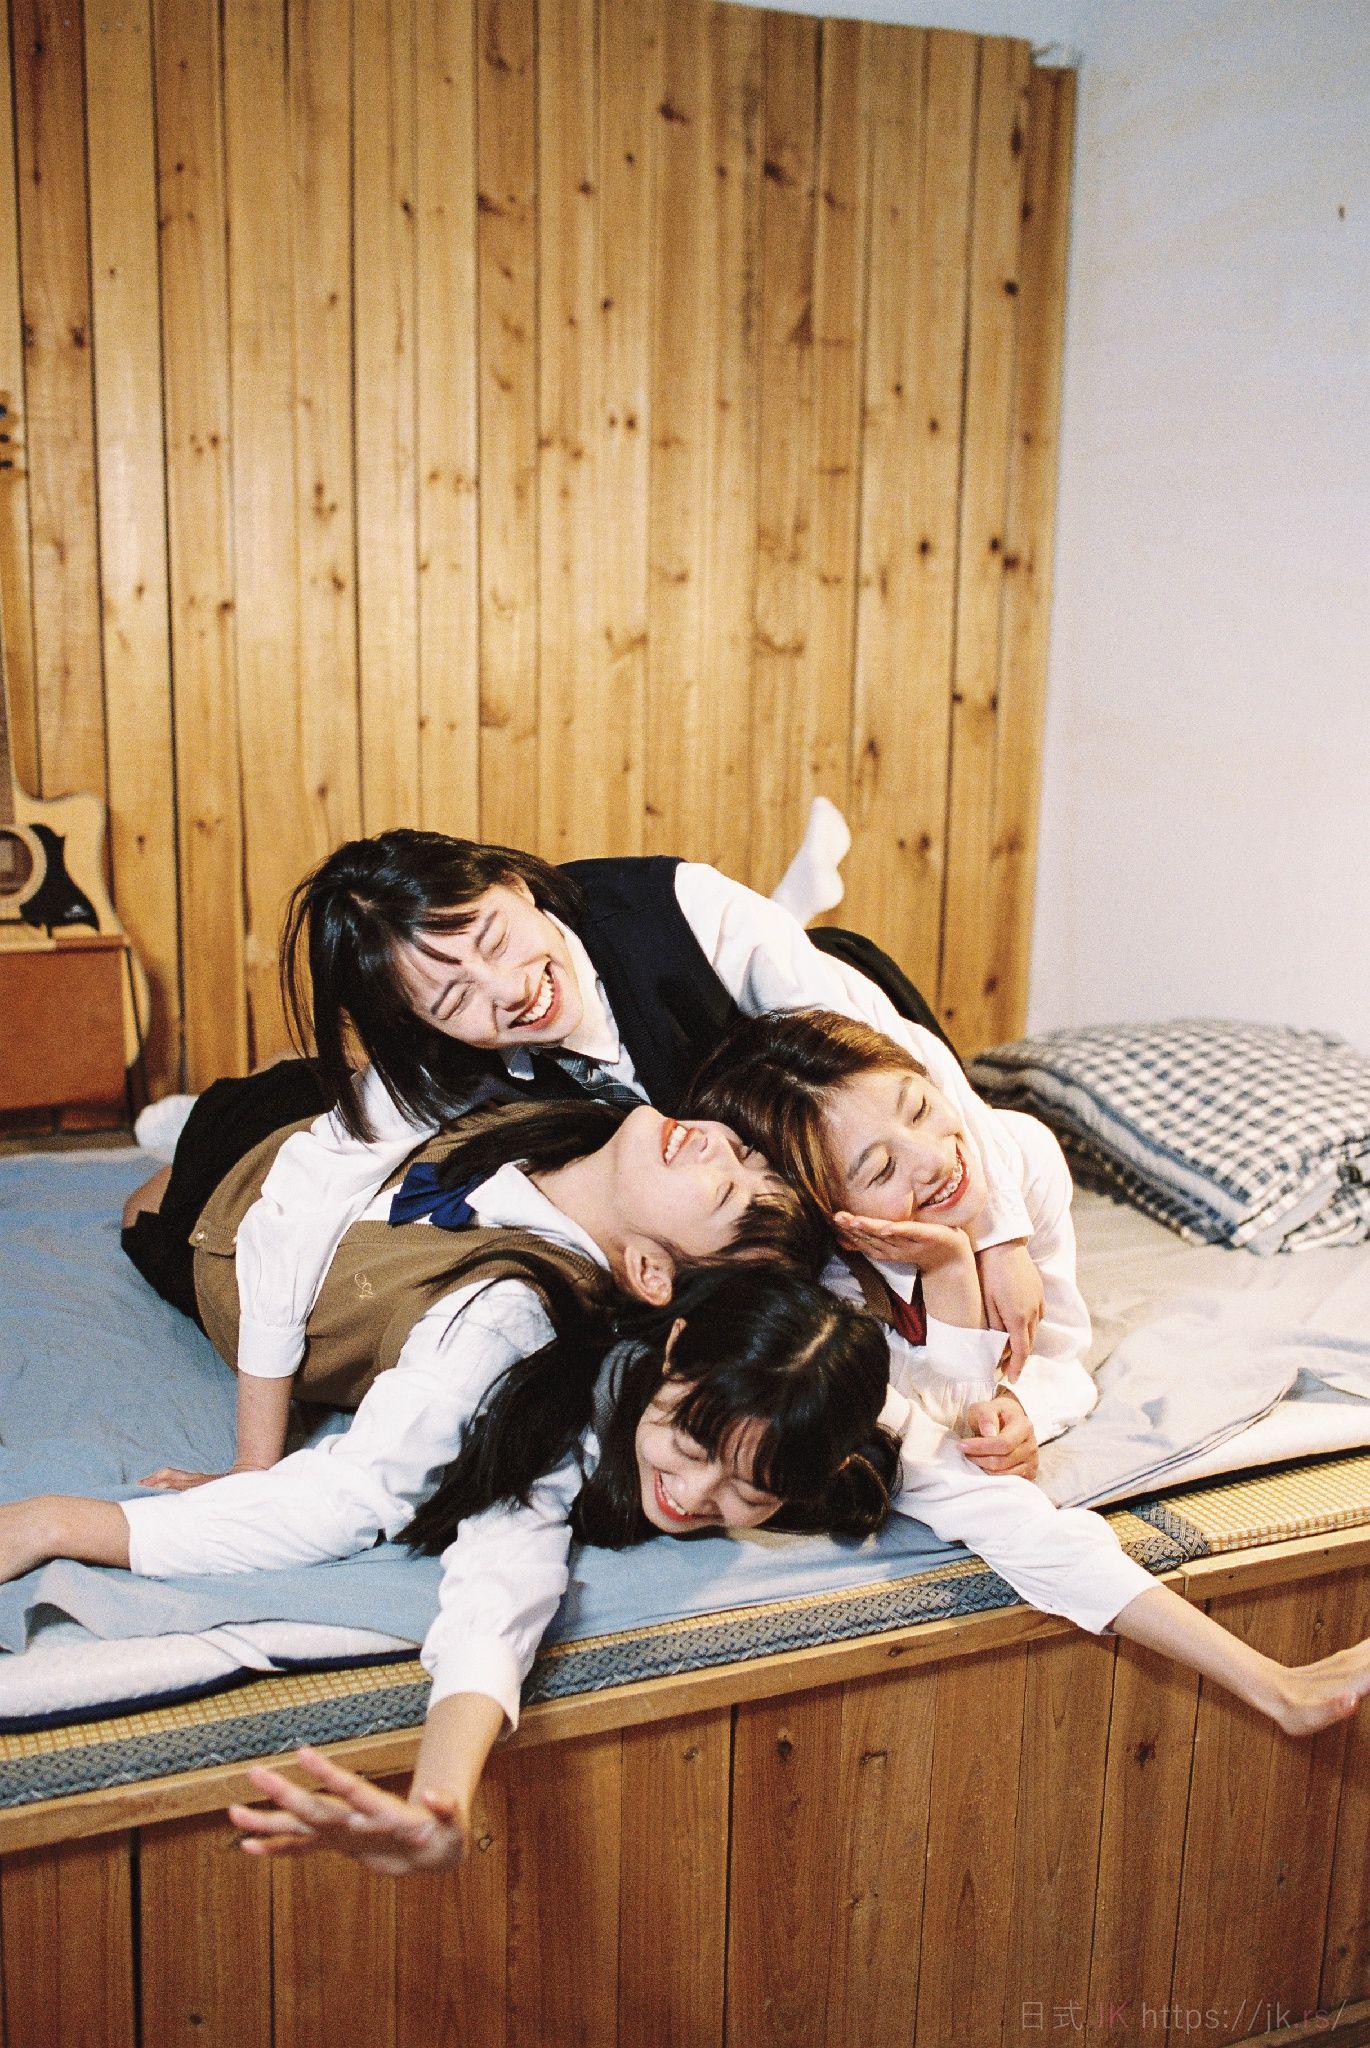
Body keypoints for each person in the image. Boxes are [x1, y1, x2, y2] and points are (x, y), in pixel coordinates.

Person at [2, 1113, 897, 1873]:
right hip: (282, 1183)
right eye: (693, 1445)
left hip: (367, 1226)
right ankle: (186, 1118)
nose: (694, 1494)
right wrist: (56, 1523)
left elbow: (502, 1590)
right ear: (670, 1346)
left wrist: (441, 1803)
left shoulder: (746, 1414)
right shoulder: (517, 1326)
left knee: (163, 1201)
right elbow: (348, 1499)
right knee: (180, 1174)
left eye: (750, 1494)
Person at [128, 829, 1048, 1483]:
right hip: (314, 1126)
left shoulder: (677, 909)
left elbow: (892, 1046)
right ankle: (188, 1122)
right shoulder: (440, 1061)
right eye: (452, 1001)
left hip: (789, 1072)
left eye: (495, 938)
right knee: (183, 1183)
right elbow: (292, 1215)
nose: (507, 991)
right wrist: (254, 1467)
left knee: (844, 973)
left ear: (516, 885)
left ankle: (796, 910)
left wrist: (998, 1235)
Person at [687, 1007, 1098, 1484]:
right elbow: (941, 1428)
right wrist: (948, 1268)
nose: (933, 1159)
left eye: (919, 1108)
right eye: (882, 1169)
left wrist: (1024, 1407)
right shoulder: (836, 1288)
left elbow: (1062, 1355)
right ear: (837, 1223)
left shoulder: (1026, 1157)